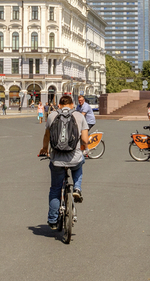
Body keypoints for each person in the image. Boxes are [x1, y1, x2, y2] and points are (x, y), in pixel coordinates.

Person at [37, 93, 90, 230]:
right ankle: (77, 188)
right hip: (74, 157)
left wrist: (44, 149)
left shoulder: (52, 116)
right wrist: (85, 148)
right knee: (79, 164)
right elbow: (84, 140)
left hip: (56, 159)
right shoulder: (79, 116)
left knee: (55, 188)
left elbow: (47, 136)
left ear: (59, 105)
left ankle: (53, 220)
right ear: (72, 105)